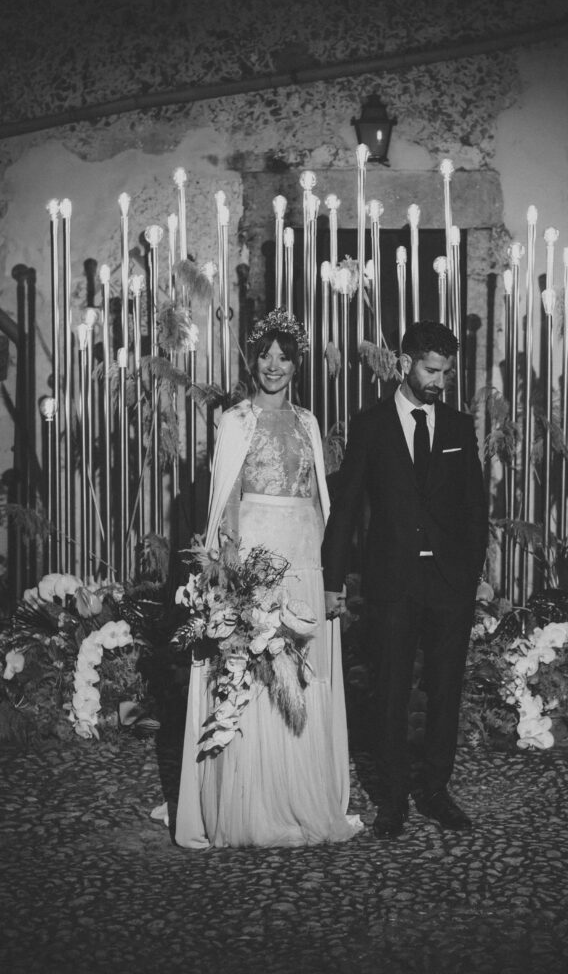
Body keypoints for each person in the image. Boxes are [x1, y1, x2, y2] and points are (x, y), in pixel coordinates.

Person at [175, 308, 361, 848]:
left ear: (297, 364)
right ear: (253, 361)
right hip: (257, 556)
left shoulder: (308, 422)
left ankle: (303, 795)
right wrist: (234, 575)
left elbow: (320, 502)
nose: (274, 366)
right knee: (255, 667)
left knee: (303, 669)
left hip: (304, 556)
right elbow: (227, 498)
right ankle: (253, 804)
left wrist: (329, 571)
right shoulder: (235, 421)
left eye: (284, 357)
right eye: (265, 356)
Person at [322, 320, 488, 840]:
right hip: (392, 582)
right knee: (390, 692)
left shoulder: (458, 427)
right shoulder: (370, 425)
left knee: (444, 692)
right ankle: (392, 800)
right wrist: (332, 579)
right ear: (404, 363)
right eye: (431, 370)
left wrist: (470, 575)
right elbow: (347, 507)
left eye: (446, 373)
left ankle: (435, 790)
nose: (439, 381)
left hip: (449, 585)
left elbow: (474, 508)